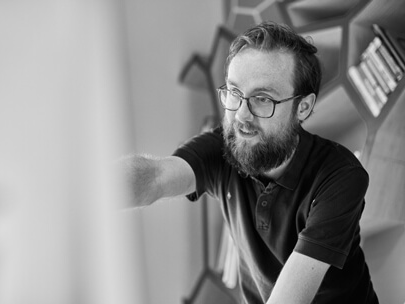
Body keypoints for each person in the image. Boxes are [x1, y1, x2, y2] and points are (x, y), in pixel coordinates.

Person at [121, 21, 379, 304]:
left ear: (302, 107)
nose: (241, 116)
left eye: (262, 99)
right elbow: (154, 179)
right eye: (234, 93)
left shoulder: (340, 176)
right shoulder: (226, 145)